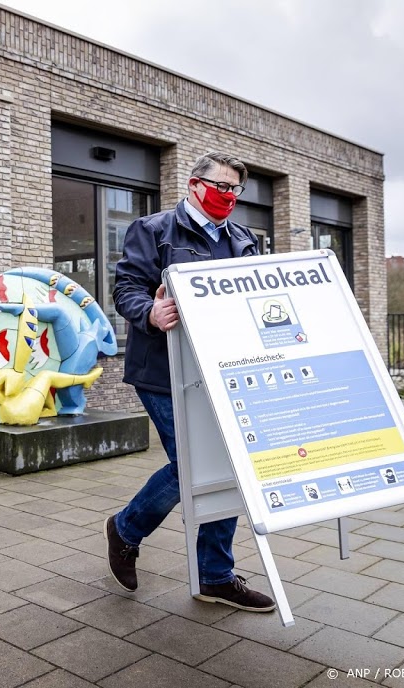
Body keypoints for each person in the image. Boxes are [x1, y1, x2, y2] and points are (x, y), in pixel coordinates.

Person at [104, 151, 275, 613]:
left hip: (222, 370)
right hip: (163, 373)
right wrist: (150, 312)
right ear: (195, 184)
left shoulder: (243, 238)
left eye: (236, 190)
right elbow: (126, 290)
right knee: (194, 467)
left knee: (231, 468)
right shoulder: (154, 230)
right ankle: (125, 529)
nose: (229, 197)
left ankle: (214, 577)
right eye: (221, 187)